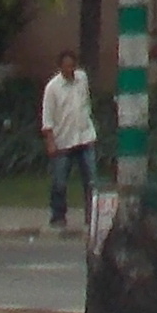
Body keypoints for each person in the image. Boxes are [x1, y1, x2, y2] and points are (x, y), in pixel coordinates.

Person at [38, 47, 96, 230]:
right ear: (60, 68)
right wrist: (50, 142)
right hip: (63, 141)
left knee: (91, 179)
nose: (69, 70)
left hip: (84, 137)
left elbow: (86, 102)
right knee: (60, 181)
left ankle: (92, 215)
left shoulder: (82, 79)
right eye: (66, 67)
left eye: (72, 66)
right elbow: (47, 118)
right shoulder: (52, 88)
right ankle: (58, 216)